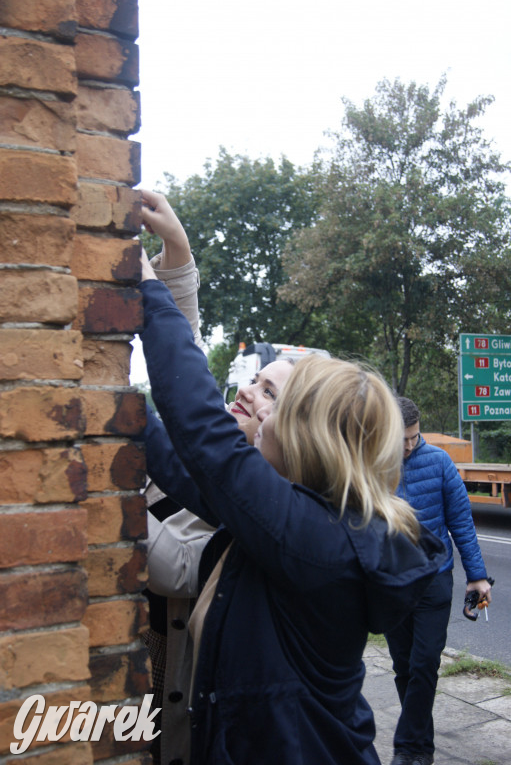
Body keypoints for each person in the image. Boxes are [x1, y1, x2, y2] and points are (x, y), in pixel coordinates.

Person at [137, 253, 446, 765]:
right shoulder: (309, 519)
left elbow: (203, 432)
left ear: (307, 436)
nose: (258, 407)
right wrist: (107, 388)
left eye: (275, 404)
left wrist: (151, 291)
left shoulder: (314, 538)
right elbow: (180, 463)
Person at [138, 190, 295, 765]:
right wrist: (176, 256)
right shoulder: (233, 456)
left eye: (268, 392)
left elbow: (167, 562)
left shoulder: (260, 511)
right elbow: (185, 369)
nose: (246, 391)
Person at [385, 397, 493, 765]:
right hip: (392, 582)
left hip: (434, 580)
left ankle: (409, 747)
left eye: (413, 437)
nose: (408, 445)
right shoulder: (373, 464)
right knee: (403, 666)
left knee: (425, 662)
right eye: (401, 438)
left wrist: (476, 576)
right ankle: (420, 746)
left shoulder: (440, 463)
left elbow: (461, 522)